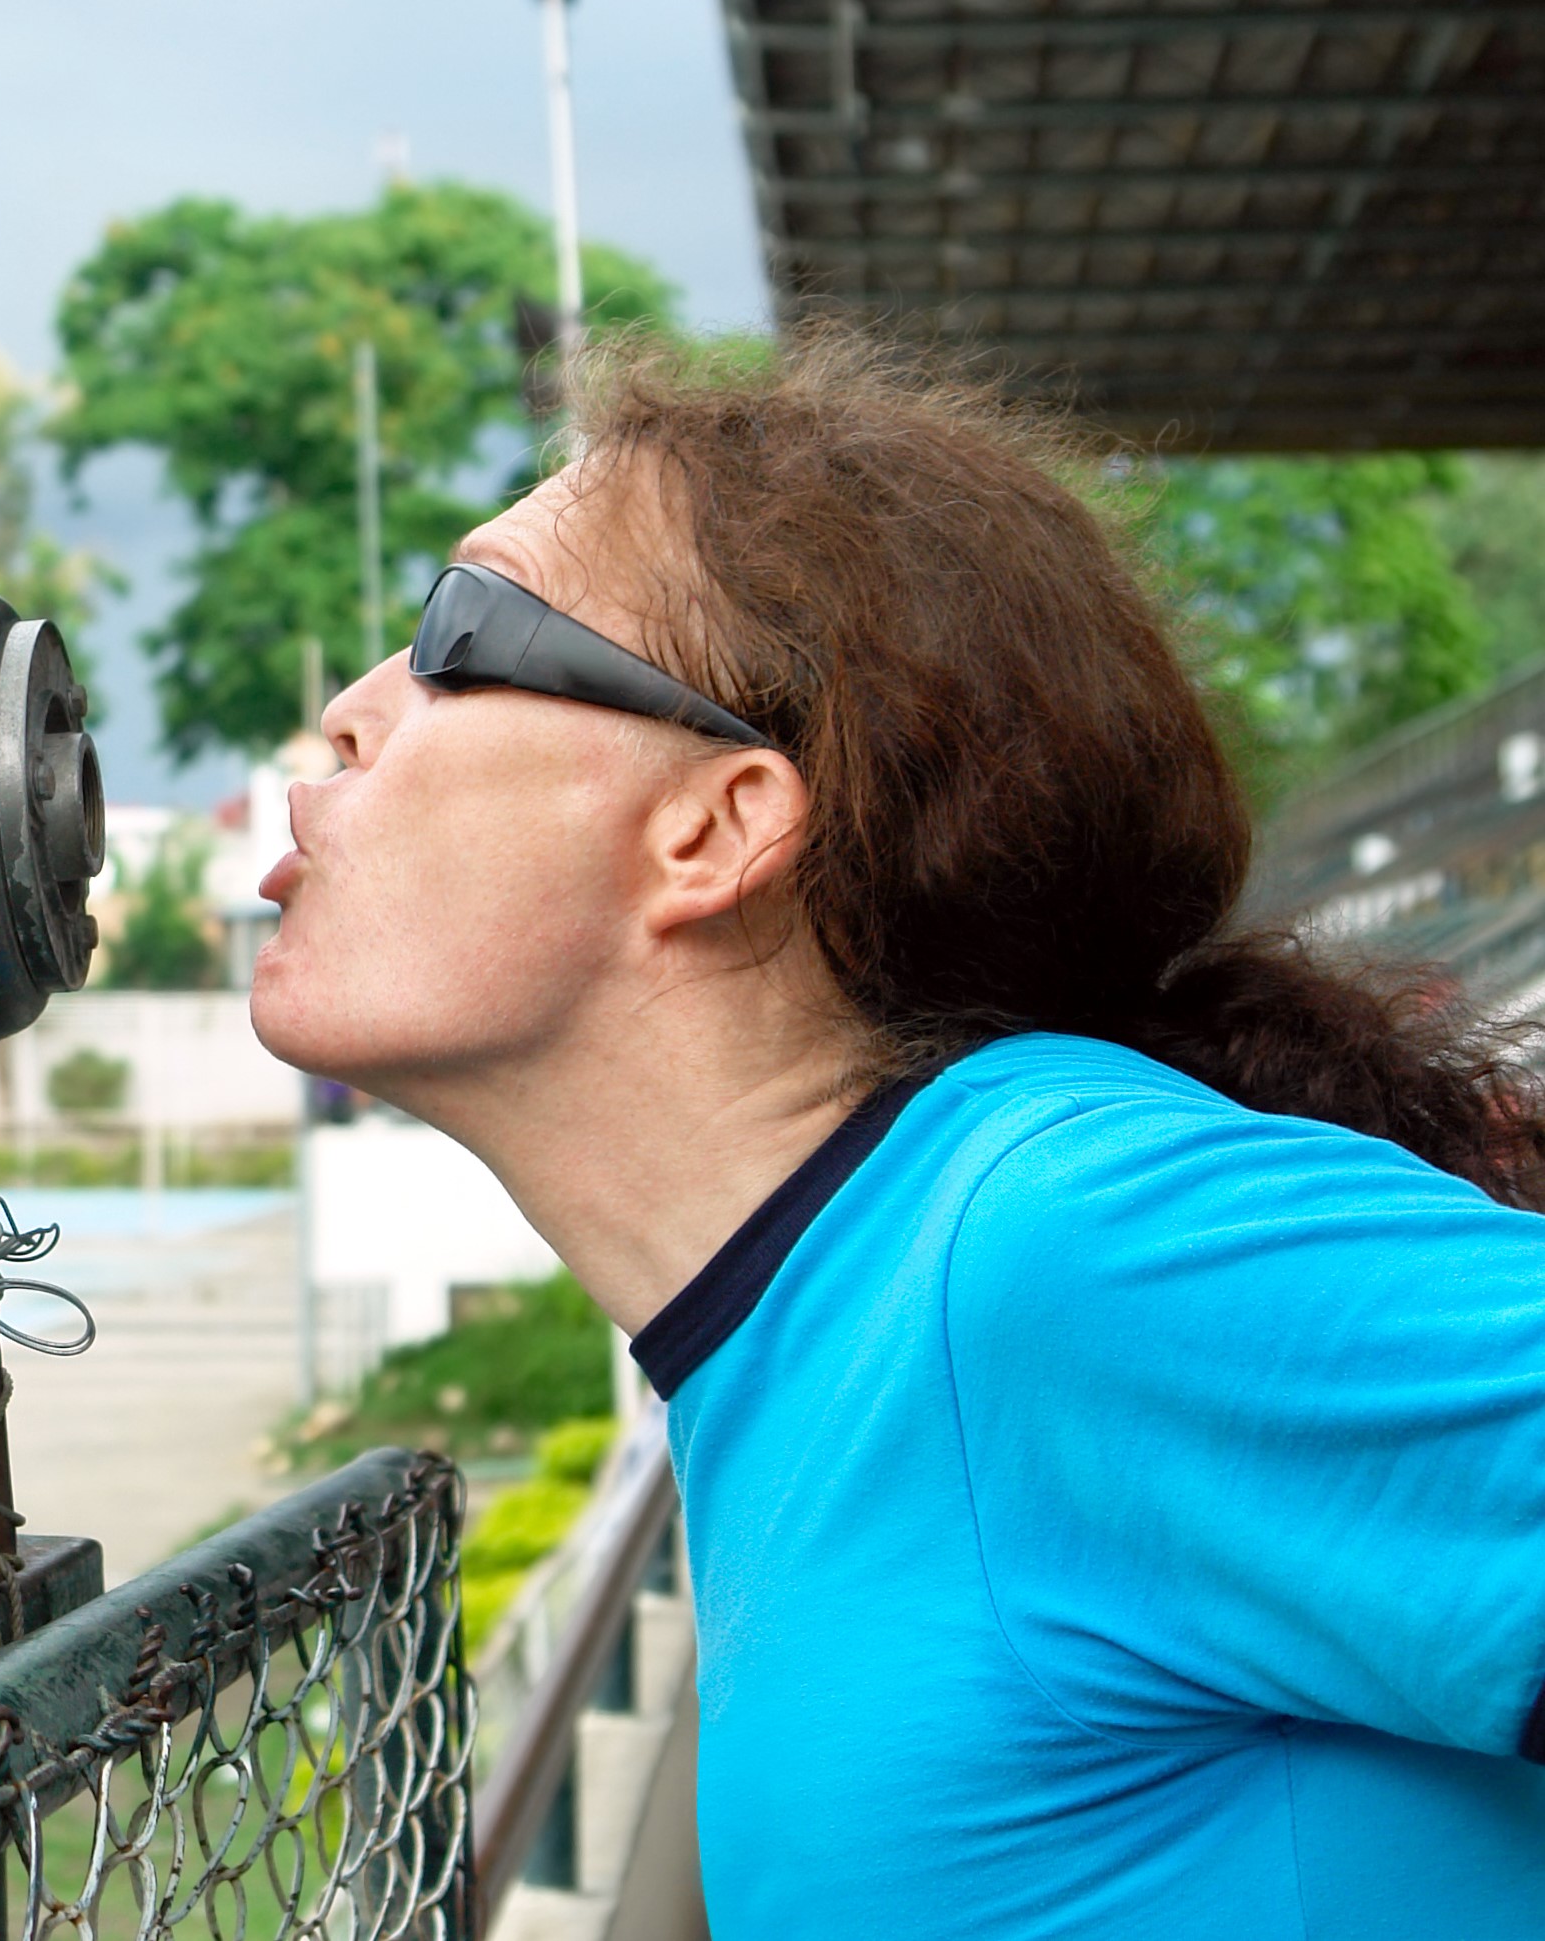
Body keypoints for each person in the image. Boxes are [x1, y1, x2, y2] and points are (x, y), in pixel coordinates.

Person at [250, 334, 1545, 1935]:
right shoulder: (816, 1318)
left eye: (459, 635)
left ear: (718, 826)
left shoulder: (1055, 1244)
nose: (352, 709)